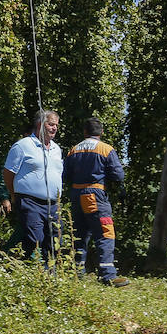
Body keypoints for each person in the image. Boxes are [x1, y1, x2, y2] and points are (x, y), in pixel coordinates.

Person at [65, 117, 129, 287]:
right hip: (95, 195)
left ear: (85, 132)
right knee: (105, 233)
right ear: (101, 132)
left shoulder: (74, 150)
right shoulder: (106, 149)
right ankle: (108, 275)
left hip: (76, 195)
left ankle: (77, 274)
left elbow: (65, 175)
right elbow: (118, 175)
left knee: (79, 235)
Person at [1, 109, 63, 263]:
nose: (54, 128)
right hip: (30, 202)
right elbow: (8, 173)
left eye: (56, 125)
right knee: (35, 239)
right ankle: (33, 272)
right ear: (40, 125)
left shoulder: (57, 149)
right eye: (51, 124)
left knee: (55, 240)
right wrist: (13, 194)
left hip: (53, 204)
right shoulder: (23, 145)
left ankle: (50, 276)